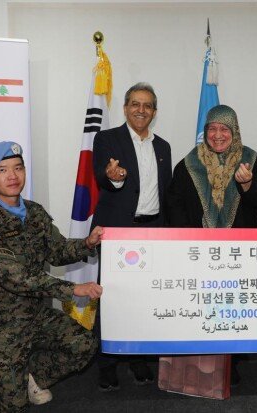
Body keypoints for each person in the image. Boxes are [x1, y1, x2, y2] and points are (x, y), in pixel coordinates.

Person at [0, 141, 104, 412]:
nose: (13, 176)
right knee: (9, 406)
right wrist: (73, 289)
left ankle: (29, 378)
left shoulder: (35, 212)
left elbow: (57, 250)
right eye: (2, 170)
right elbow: (14, 276)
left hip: (35, 314)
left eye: (18, 168)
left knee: (84, 344)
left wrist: (87, 243)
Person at [166, 104, 257, 386]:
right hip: (199, 253)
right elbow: (174, 205)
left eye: (224, 128)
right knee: (202, 307)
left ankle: (229, 363)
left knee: (230, 308)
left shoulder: (251, 160)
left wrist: (247, 185)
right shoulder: (188, 164)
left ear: (234, 131)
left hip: (238, 253)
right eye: (212, 128)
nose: (217, 134)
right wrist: (190, 241)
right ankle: (200, 363)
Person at [90, 82, 172, 391]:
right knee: (111, 297)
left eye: (147, 105)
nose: (141, 110)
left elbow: (165, 192)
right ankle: (107, 363)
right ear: (125, 108)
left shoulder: (163, 147)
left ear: (154, 112)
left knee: (145, 297)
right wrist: (114, 177)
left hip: (153, 232)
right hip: (118, 232)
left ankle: (138, 357)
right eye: (135, 104)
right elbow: (104, 176)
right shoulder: (107, 139)